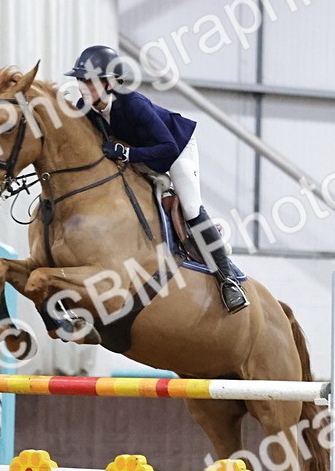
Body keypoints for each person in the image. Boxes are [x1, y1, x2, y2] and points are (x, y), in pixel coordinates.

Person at [65, 45, 249, 314]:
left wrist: (127, 153)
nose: (82, 87)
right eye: (80, 80)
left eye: (88, 81)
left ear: (109, 83)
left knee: (189, 206)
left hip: (176, 148)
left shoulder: (133, 104)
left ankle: (228, 279)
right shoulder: (86, 108)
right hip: (139, 154)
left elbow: (168, 148)